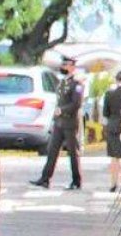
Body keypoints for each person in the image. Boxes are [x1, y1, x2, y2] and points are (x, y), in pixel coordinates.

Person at [30, 56, 84, 190]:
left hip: (70, 123)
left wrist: (62, 110)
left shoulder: (77, 84)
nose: (63, 67)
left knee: (72, 153)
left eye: (65, 64)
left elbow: (76, 104)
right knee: (52, 151)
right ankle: (45, 179)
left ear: (72, 66)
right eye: (62, 64)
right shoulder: (62, 82)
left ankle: (76, 181)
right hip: (59, 123)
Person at [104, 70, 121, 191]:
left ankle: (113, 184)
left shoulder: (109, 93)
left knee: (114, 157)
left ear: (116, 80)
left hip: (112, 126)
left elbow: (105, 113)